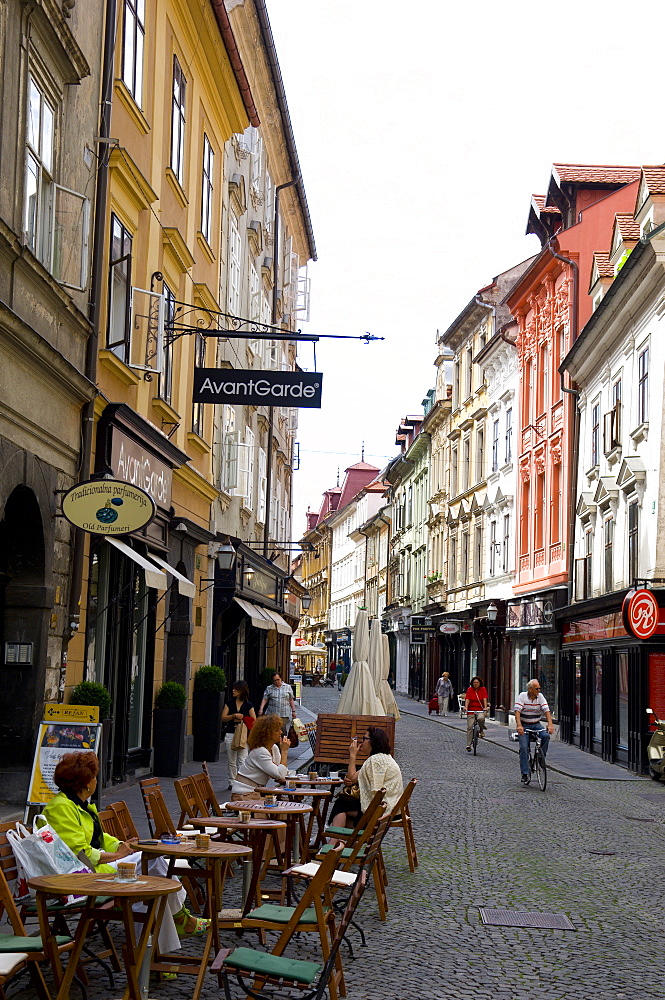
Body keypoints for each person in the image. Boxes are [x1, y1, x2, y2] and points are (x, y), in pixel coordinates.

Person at [42, 751, 208, 949]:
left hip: (97, 868)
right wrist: (117, 855)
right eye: (94, 777)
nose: (96, 780)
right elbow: (81, 854)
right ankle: (179, 918)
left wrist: (122, 846)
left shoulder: (79, 804)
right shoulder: (61, 807)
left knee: (146, 892)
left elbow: (100, 837)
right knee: (152, 862)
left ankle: (150, 953)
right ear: (87, 782)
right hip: (84, 875)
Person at [328, 727, 403, 831]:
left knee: (341, 804)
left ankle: (333, 842)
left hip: (384, 810)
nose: (361, 742)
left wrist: (353, 755)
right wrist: (351, 779)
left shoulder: (375, 761)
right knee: (344, 807)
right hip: (391, 807)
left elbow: (372, 790)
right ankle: (347, 843)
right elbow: (352, 779)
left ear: (372, 742)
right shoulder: (383, 758)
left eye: (364, 738)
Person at [231, 714, 291, 799]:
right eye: (277, 730)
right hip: (244, 794)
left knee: (285, 804)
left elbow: (282, 773)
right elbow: (279, 775)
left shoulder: (274, 748)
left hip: (256, 792)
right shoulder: (260, 752)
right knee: (282, 807)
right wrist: (284, 751)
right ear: (268, 733)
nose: (281, 732)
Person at [514, 678, 554, 785]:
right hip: (524, 725)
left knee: (546, 736)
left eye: (540, 688)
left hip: (536, 724)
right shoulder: (522, 696)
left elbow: (546, 710)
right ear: (530, 689)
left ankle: (541, 758)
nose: (539, 690)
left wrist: (550, 724)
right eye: (537, 688)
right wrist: (519, 725)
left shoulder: (540, 697)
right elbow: (517, 711)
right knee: (523, 747)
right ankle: (525, 773)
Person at [221, 680, 256, 789]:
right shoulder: (229, 703)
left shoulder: (248, 705)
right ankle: (232, 782)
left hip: (243, 735)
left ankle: (242, 781)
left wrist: (243, 718)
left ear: (241, 690)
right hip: (231, 733)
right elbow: (223, 717)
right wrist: (233, 716)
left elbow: (254, 720)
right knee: (231, 760)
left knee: (242, 759)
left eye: (235, 689)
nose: (233, 690)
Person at [464, 676, 489, 751]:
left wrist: (485, 707)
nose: (476, 684)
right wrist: (466, 707)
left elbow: (485, 699)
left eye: (477, 682)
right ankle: (469, 744)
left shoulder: (483, 689)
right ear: (472, 683)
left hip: (480, 709)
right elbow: (467, 699)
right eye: (474, 682)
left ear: (480, 683)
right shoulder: (470, 690)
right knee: (470, 727)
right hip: (471, 709)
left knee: (481, 718)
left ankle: (481, 729)